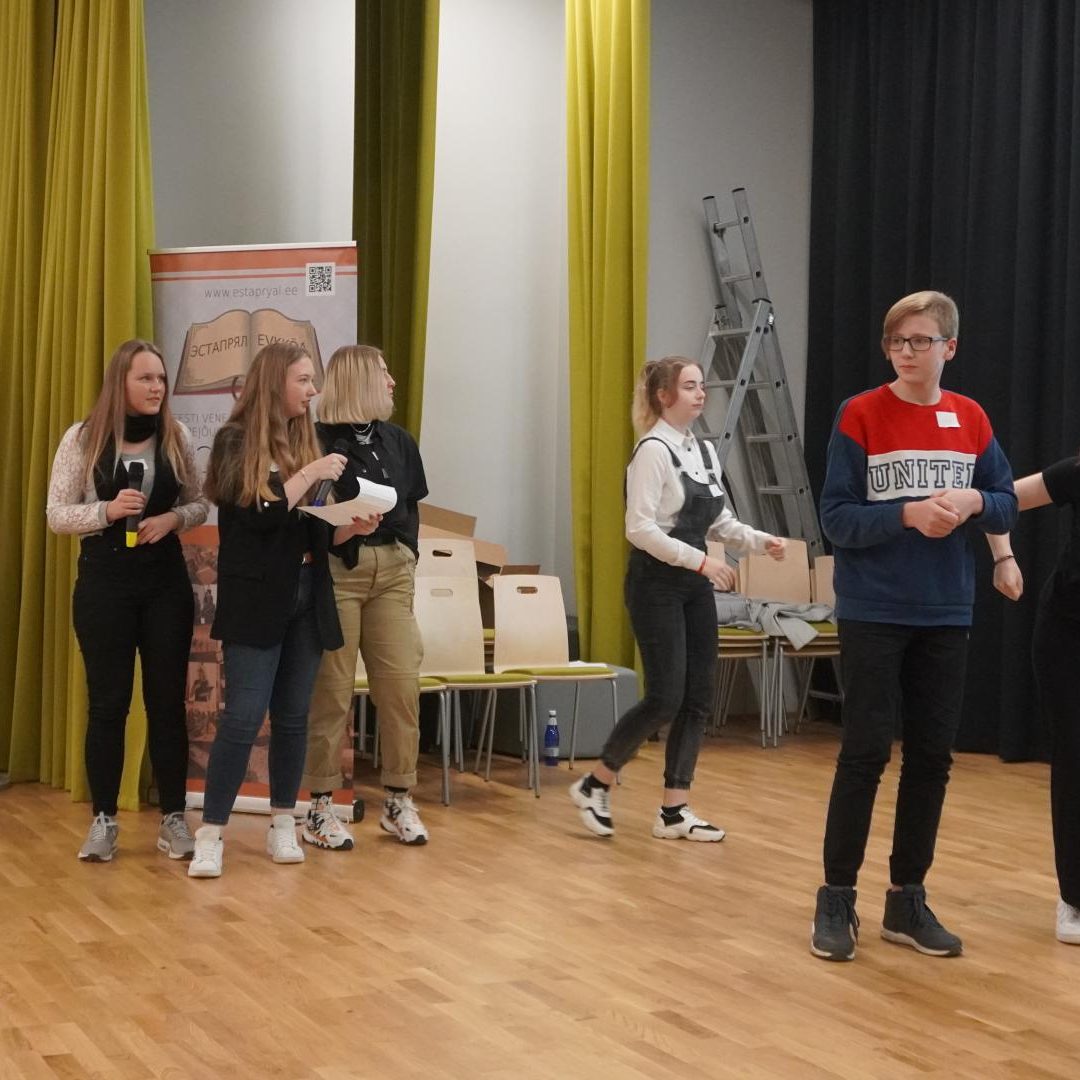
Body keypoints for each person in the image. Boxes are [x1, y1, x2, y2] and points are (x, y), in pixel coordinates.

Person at [810, 291, 1017, 962]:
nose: (905, 351)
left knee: (931, 758)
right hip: (873, 609)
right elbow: (836, 519)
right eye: (896, 341)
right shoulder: (860, 413)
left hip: (946, 611)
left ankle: (907, 899)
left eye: (920, 341)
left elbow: (1005, 500)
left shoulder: (971, 418)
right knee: (866, 751)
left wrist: (975, 500)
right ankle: (837, 896)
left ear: (949, 348)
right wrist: (906, 513)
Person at [569, 356, 786, 841]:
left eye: (701, 385)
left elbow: (719, 520)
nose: (700, 393)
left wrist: (758, 541)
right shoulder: (652, 451)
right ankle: (595, 782)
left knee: (698, 697)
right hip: (655, 584)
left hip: (692, 585)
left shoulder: (703, 451)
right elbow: (639, 529)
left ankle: (673, 809)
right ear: (663, 396)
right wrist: (702, 562)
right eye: (689, 386)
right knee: (665, 697)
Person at [187, 342, 346, 878]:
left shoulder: (305, 441)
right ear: (275, 381)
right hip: (257, 599)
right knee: (243, 716)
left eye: (312, 381)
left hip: (307, 591)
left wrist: (349, 525)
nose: (312, 390)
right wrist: (312, 471)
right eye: (303, 380)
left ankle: (283, 821)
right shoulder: (235, 441)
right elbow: (261, 512)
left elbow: (311, 524)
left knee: (294, 717)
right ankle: (211, 831)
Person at [46, 339, 209, 862]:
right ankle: (104, 820)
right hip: (105, 583)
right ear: (121, 383)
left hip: (164, 584)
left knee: (166, 704)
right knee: (108, 704)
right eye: (145, 378)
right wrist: (107, 511)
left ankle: (174, 818)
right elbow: (56, 514)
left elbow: (201, 503)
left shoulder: (177, 437)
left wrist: (174, 518)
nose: (157, 387)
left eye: (160, 378)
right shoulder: (83, 438)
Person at [300, 345, 430, 850]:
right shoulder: (315, 440)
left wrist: (408, 553)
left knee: (400, 686)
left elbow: (412, 506)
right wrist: (345, 526)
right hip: (338, 571)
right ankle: (319, 806)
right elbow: (306, 513)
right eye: (383, 373)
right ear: (358, 381)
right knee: (332, 692)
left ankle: (398, 799)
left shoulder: (398, 440)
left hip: (393, 572)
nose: (393, 382)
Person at [987, 464, 1080, 944]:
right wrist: (1004, 557)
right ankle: (1074, 899)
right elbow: (1001, 499)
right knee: (1075, 761)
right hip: (1069, 636)